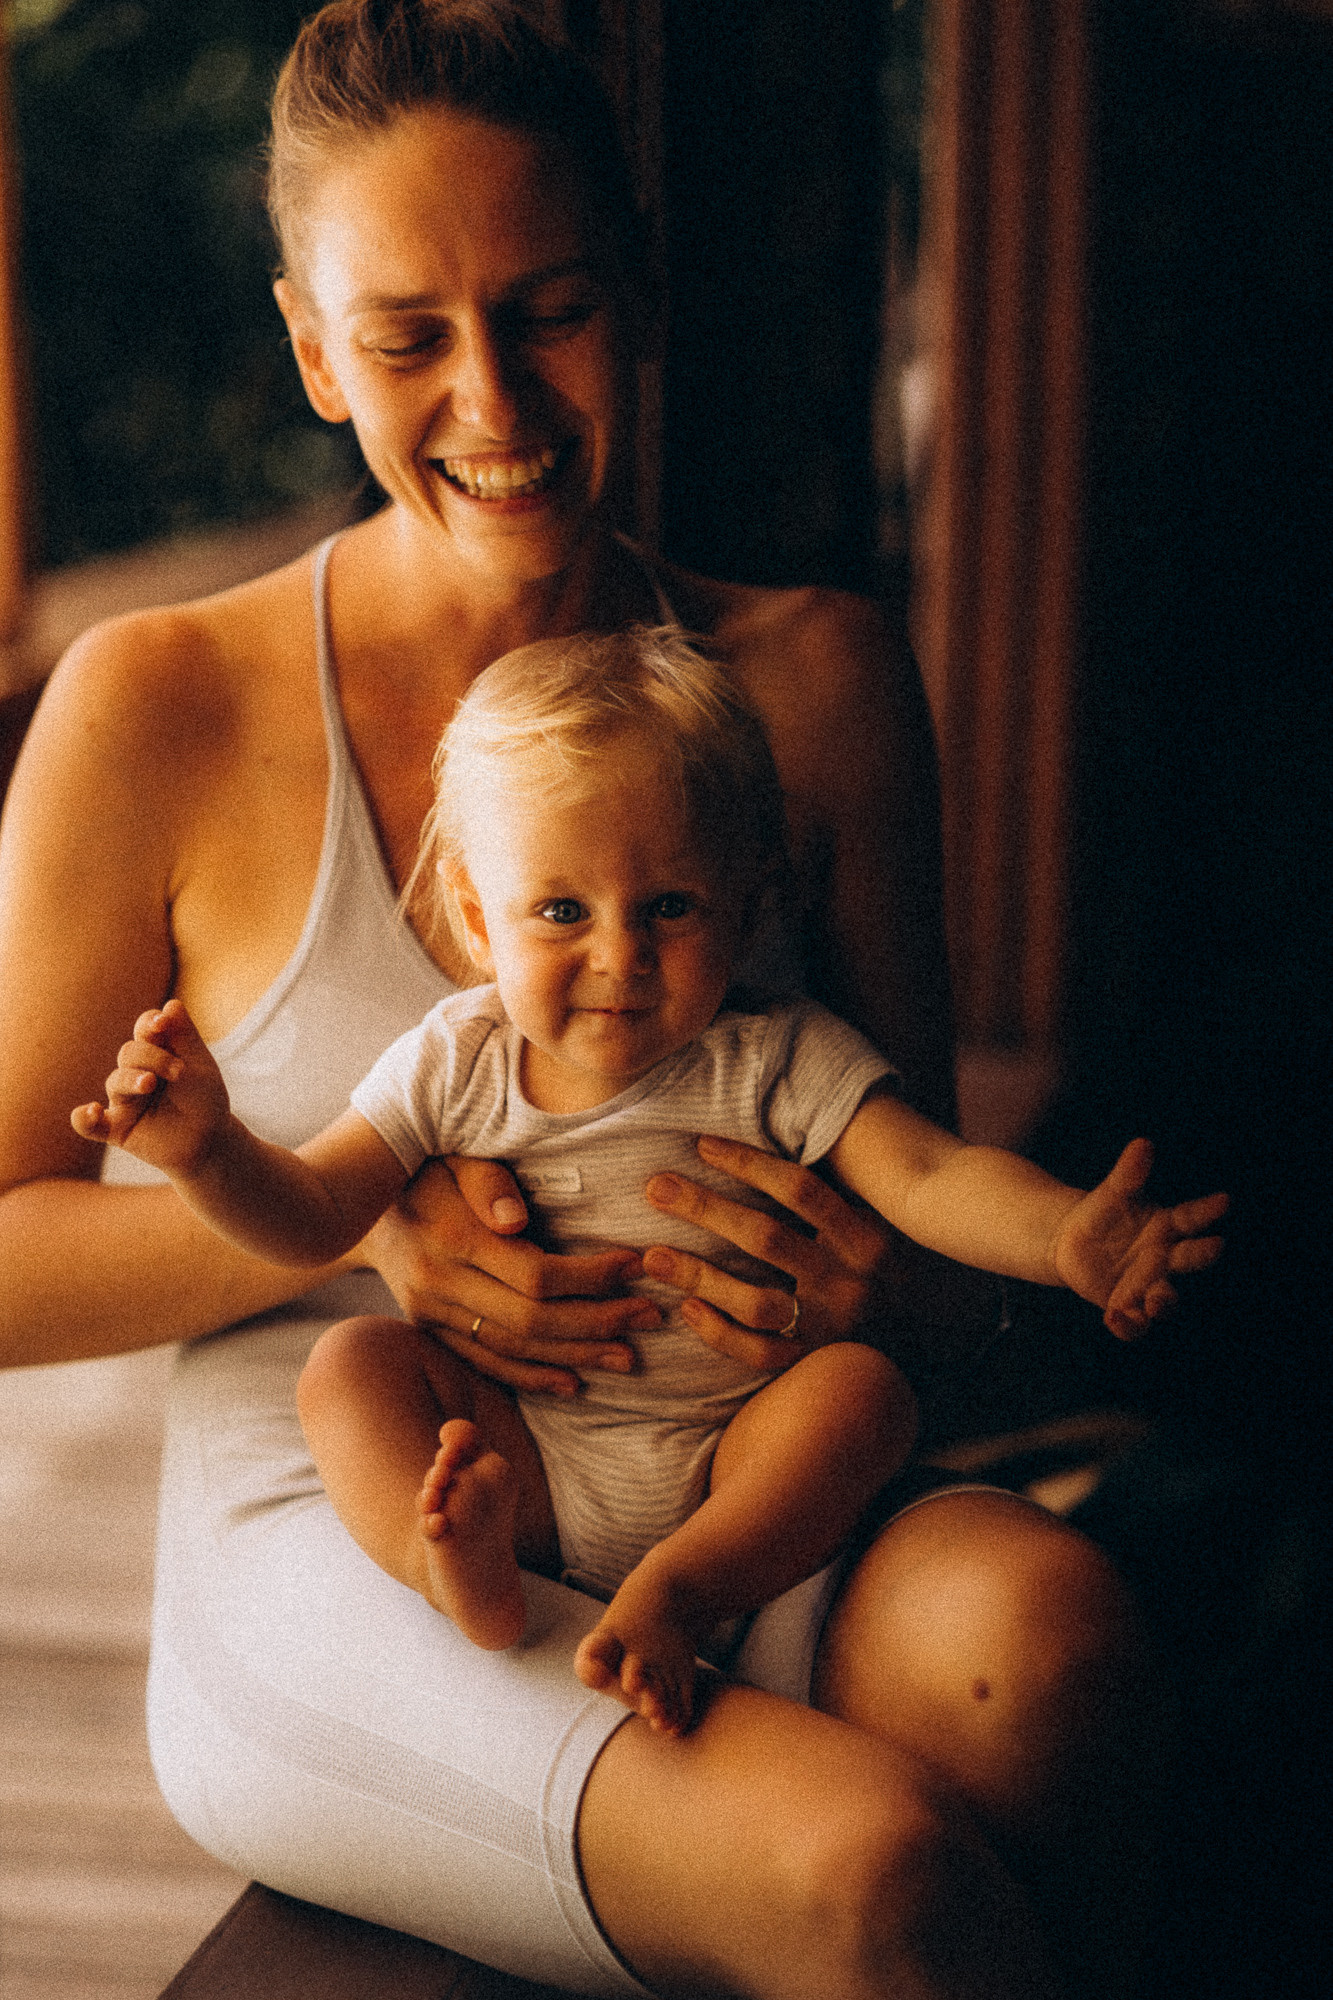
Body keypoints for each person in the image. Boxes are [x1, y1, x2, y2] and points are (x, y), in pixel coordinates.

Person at [0, 2, 1183, 1993]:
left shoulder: (814, 680)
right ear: (312, 351)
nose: (493, 399)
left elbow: (938, 1242)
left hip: (747, 1476)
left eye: (545, 309)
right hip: (377, 1518)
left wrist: (895, 1296)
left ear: (638, 291)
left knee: (1056, 1665)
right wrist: (368, 1227)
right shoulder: (157, 705)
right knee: (870, 1877)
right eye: (406, 340)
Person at [74, 626, 1224, 1746]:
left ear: (746, 904)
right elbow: (312, 1213)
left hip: (742, 1459)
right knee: (349, 1369)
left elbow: (930, 1173)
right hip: (528, 1451)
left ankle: (679, 1588)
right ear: (477, 917)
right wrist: (207, 1152)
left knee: (862, 1392)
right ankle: (450, 1560)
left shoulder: (773, 1056)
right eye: (561, 910)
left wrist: (1067, 1236)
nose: (618, 955)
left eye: (668, 906)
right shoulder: (455, 1061)